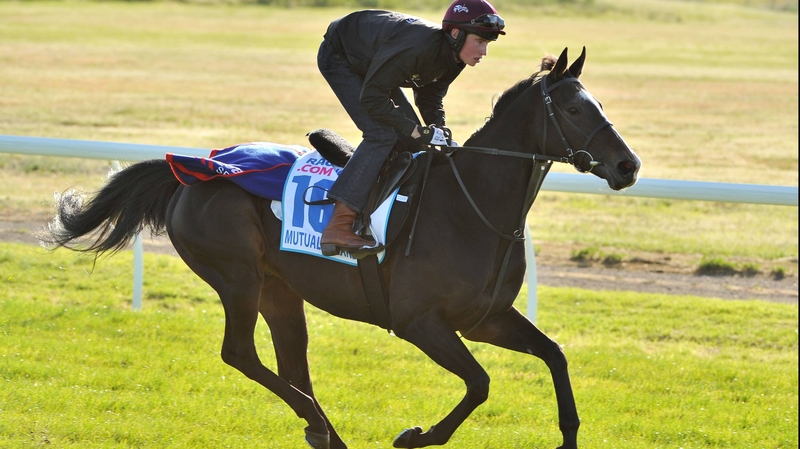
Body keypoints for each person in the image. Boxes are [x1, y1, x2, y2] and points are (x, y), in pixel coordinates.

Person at [316, 0, 506, 257]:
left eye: (487, 44)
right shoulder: (417, 48)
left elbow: (430, 97)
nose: (484, 52)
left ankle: (386, 211)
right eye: (480, 42)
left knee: (413, 141)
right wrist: (415, 129)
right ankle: (338, 226)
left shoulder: (455, 57)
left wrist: (437, 128)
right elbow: (372, 98)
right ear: (455, 34)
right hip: (341, 55)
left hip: (375, 60)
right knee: (382, 135)